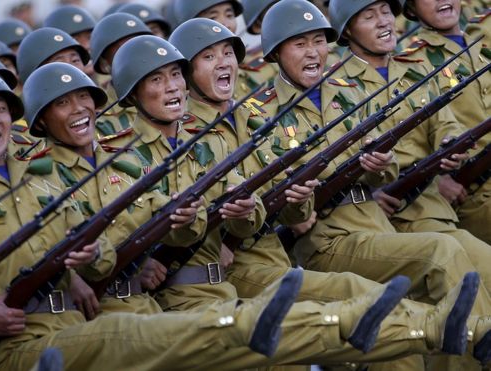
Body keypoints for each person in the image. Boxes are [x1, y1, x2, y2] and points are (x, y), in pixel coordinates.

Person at [105, 33, 490, 367]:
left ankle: (468, 336)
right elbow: (124, 238)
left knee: (355, 317)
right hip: (230, 272)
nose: (173, 86)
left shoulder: (242, 123)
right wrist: (214, 237)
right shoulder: (135, 152)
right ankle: (470, 336)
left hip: (263, 260)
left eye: (226, 53)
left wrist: (297, 200)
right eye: (208, 57)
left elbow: (270, 209)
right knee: (357, 304)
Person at [0, 66, 304, 371]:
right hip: (22, 343)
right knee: (152, 337)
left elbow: (105, 249)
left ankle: (264, 324)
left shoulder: (38, 183)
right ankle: (255, 324)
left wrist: (188, 223)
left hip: (86, 323)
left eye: (0, 109)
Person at [328, 3, 491, 368]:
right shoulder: (338, 86)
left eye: (386, 12)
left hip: (428, 210)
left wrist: (450, 149)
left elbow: (444, 122)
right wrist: (375, 185)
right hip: (379, 221)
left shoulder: (414, 69)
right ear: (348, 32)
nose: (384, 21)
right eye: (369, 17)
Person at [22, 62, 206, 316]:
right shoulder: (36, 179)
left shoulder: (124, 161)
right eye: (62, 103)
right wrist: (72, 279)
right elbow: (32, 256)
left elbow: (166, 224)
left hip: (146, 305)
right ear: (41, 120)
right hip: (96, 314)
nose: (78, 108)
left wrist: (189, 217)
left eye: (84, 96)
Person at [402, 0, 491, 245]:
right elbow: (411, 137)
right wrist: (434, 181)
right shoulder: (412, 64)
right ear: (411, 8)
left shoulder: (481, 45)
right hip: (474, 193)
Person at [89, 13, 152, 136]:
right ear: (103, 64)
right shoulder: (100, 121)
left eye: (142, 46)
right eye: (124, 50)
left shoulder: (178, 94)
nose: (138, 55)